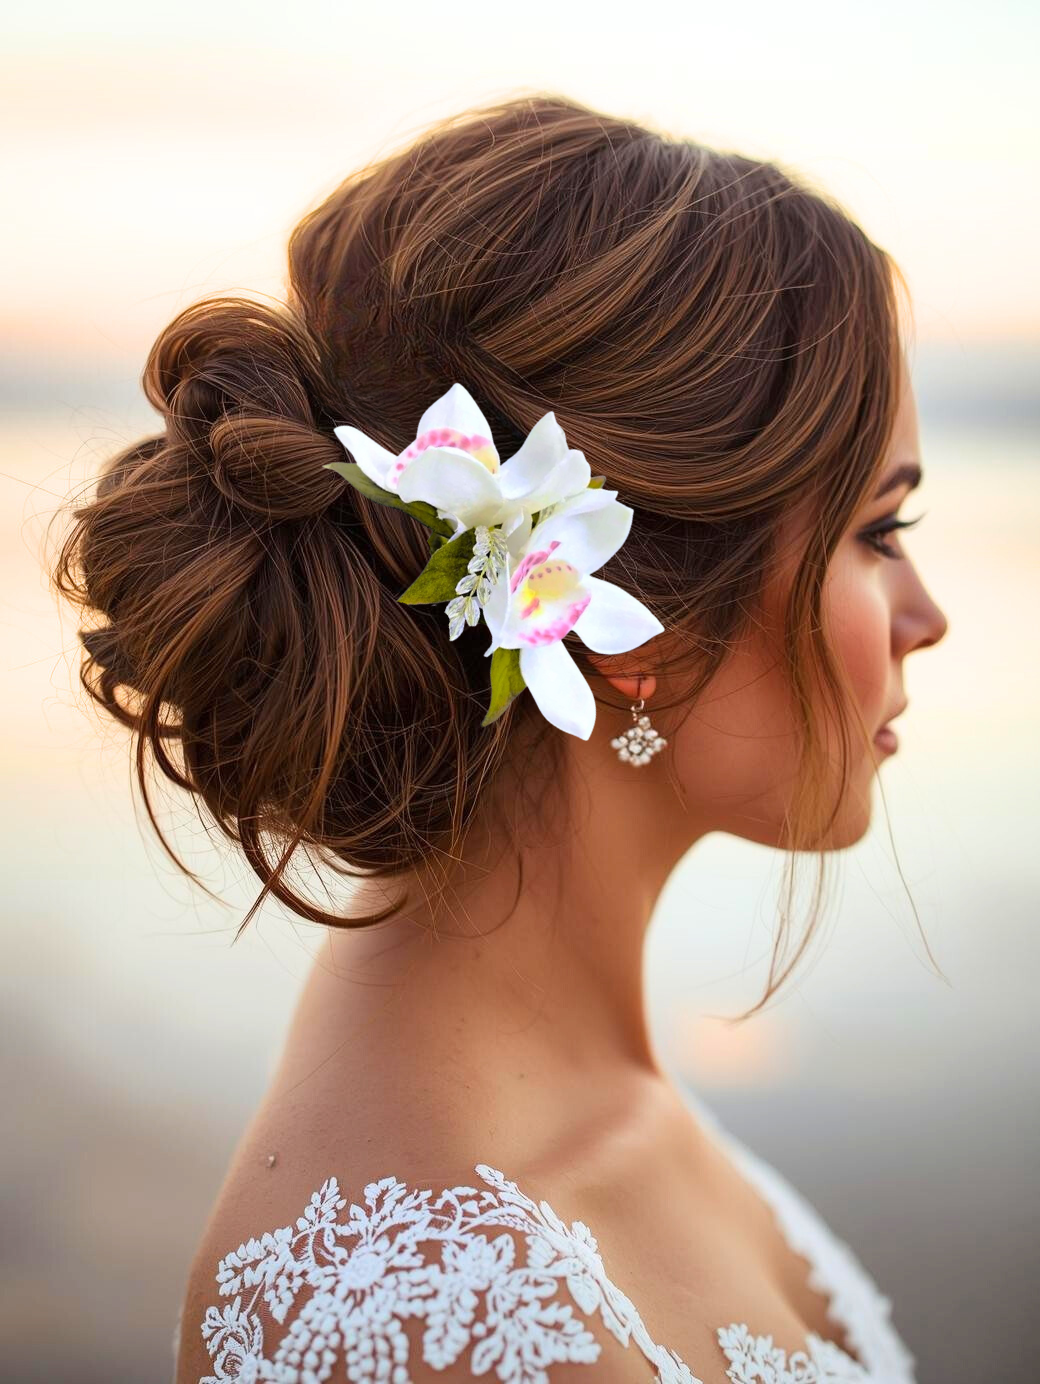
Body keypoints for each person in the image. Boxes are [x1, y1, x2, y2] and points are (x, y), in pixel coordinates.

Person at [52, 93, 948, 1383]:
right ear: (616, 609)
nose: (927, 618)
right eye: (880, 533)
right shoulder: (414, 1320)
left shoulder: (571, 1097)